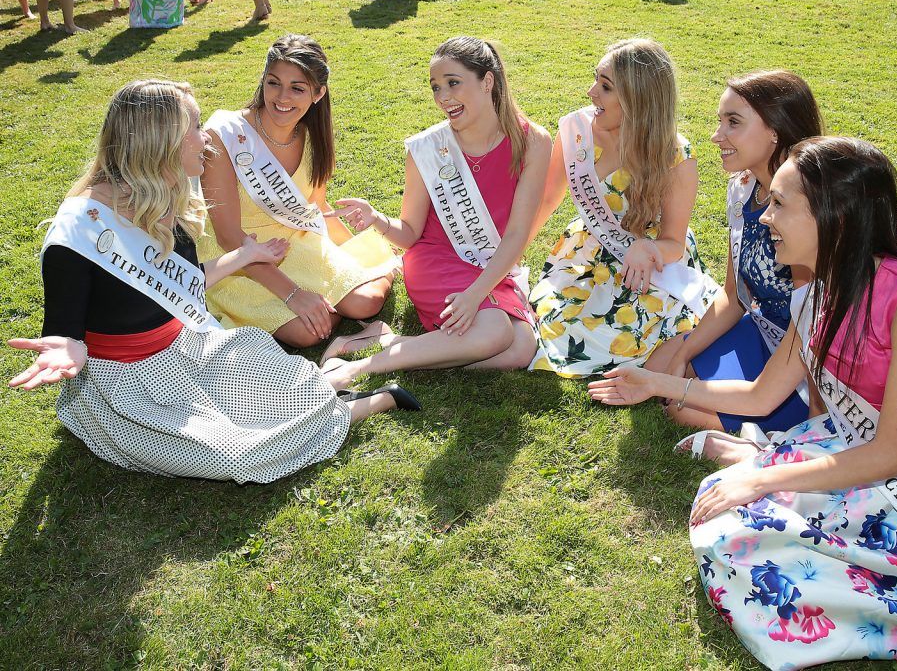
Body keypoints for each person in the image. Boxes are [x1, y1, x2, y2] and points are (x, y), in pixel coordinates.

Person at [589, 137, 897, 667]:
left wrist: (759, 480)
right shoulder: (819, 286)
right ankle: (753, 460)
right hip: (860, 452)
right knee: (729, 519)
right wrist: (657, 384)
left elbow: (892, 456)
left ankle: (756, 463)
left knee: (739, 534)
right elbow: (762, 394)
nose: (765, 218)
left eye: (779, 204)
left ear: (833, 218)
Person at [7, 80, 419, 484]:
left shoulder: (166, 194)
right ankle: (374, 400)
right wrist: (65, 345)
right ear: (161, 141)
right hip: (128, 383)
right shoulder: (79, 230)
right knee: (236, 456)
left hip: (189, 348)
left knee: (288, 392)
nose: (205, 138)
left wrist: (244, 256)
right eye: (194, 128)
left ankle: (334, 372)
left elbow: (181, 283)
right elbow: (64, 327)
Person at [317, 36, 550, 388]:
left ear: (487, 81)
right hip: (435, 260)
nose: (443, 98)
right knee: (496, 332)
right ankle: (359, 369)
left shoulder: (533, 141)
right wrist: (377, 219)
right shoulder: (429, 148)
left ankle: (389, 343)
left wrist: (475, 295)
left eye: (453, 83)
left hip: (489, 262)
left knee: (520, 349)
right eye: (436, 87)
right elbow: (410, 233)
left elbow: (517, 234)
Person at [527, 39, 719, 378]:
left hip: (649, 265)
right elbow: (545, 200)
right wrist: (507, 255)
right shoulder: (577, 132)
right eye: (595, 80)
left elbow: (673, 242)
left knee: (628, 336)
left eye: (605, 87)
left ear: (637, 100)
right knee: (559, 321)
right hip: (588, 253)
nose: (590, 93)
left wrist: (646, 248)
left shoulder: (674, 156)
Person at [645, 71, 824, 434]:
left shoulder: (807, 206)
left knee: (684, 410)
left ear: (775, 130)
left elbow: (814, 326)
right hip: (760, 330)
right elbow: (734, 295)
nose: (717, 136)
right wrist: (683, 355)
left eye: (733, 123)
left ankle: (766, 442)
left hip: (801, 360)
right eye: (719, 121)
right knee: (658, 369)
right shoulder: (742, 189)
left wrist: (815, 432)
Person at [198, 35, 398, 348]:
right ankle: (325, 309)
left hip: (295, 240)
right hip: (237, 256)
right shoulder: (224, 135)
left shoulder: (311, 136)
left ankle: (375, 263)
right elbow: (228, 236)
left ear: (318, 94)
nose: (282, 97)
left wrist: (355, 254)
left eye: (297, 88)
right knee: (306, 333)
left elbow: (315, 207)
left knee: (367, 302)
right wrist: (294, 295)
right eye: (273, 83)